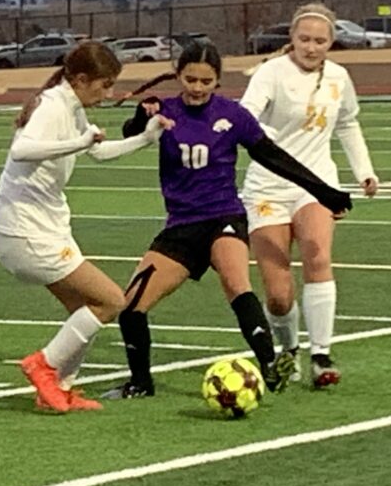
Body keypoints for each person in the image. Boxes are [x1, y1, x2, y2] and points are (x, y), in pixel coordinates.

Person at [103, 42, 352, 400]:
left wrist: (325, 192)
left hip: (224, 217)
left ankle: (271, 367)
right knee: (130, 307)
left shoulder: (233, 115)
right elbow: (131, 134)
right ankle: (140, 383)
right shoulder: (166, 110)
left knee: (237, 285)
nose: (198, 87)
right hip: (181, 226)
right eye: (190, 79)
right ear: (178, 75)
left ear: (217, 80)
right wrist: (144, 118)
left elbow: (272, 156)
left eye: (207, 81)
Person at [0, 41, 172, 413]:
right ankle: (43, 366)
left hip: (46, 226)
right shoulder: (51, 105)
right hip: (27, 230)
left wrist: (145, 137)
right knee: (111, 300)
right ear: (80, 79)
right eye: (103, 86)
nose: (108, 95)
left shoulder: (71, 105)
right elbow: (21, 150)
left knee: (83, 308)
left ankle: (58, 389)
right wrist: (79, 140)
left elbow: (98, 151)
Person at [241, 3, 379, 388]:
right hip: (267, 188)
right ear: (292, 39)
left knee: (318, 254)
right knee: (279, 296)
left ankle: (321, 354)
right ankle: (289, 350)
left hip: (316, 185)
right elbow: (246, 117)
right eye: (305, 39)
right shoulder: (271, 73)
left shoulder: (339, 77)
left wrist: (364, 172)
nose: (312, 47)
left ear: (331, 42)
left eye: (320, 40)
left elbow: (348, 123)